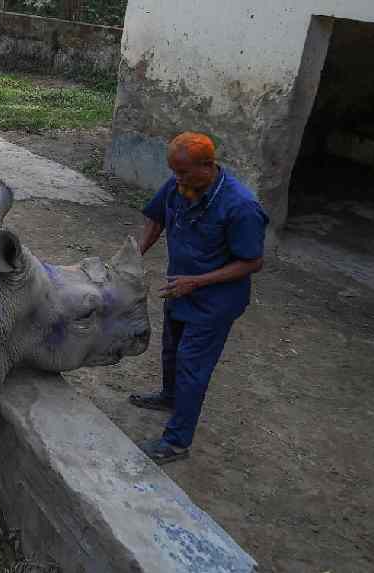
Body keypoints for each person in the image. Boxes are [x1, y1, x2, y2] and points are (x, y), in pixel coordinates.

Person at [130, 132, 269, 465]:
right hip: (181, 289)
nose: (177, 180)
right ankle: (169, 397)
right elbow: (157, 218)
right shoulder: (181, 185)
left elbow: (253, 261)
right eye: (174, 172)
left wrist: (198, 281)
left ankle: (176, 443)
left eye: (184, 173)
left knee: (192, 365)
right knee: (170, 348)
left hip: (214, 302)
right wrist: (132, 256)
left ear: (208, 166)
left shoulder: (241, 206)